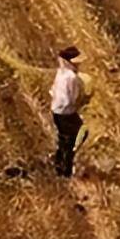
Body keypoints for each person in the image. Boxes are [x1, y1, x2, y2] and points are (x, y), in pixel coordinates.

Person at [50, 46, 85, 177]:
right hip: (66, 111)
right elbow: (74, 98)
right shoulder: (72, 77)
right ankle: (66, 169)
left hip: (56, 110)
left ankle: (59, 165)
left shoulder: (60, 73)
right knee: (76, 135)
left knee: (64, 138)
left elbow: (53, 90)